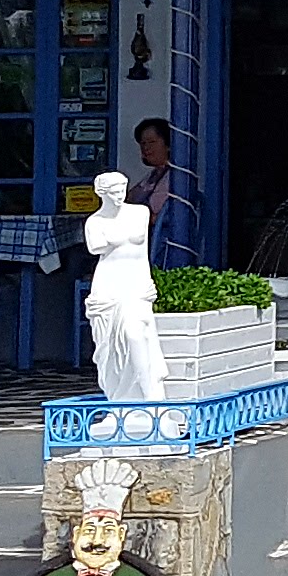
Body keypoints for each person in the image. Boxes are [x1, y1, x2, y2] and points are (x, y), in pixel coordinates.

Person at [80, 169, 166, 404]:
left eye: (122, 190)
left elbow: (142, 253)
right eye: (113, 192)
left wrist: (147, 281)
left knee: (135, 334)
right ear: (101, 193)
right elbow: (97, 248)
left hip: (135, 282)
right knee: (109, 347)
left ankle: (151, 399)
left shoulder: (139, 213)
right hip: (109, 285)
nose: (119, 196)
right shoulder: (94, 222)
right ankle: (119, 401)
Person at [131, 115, 198, 268]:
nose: (146, 148)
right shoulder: (153, 176)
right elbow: (129, 198)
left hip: (163, 247)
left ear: (168, 145)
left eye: (152, 142)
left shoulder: (177, 178)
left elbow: (167, 215)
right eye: (143, 143)